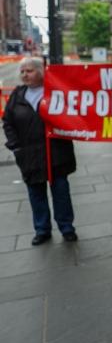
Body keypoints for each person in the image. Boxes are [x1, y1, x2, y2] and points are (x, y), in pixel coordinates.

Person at [2, 57, 78, 245]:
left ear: (41, 71)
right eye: (22, 71)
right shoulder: (18, 95)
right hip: (29, 154)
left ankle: (66, 227)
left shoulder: (56, 91)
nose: (25, 75)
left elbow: (73, 114)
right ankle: (42, 229)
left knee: (61, 191)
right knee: (36, 193)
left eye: (29, 71)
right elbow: (8, 122)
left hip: (56, 152)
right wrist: (15, 145)